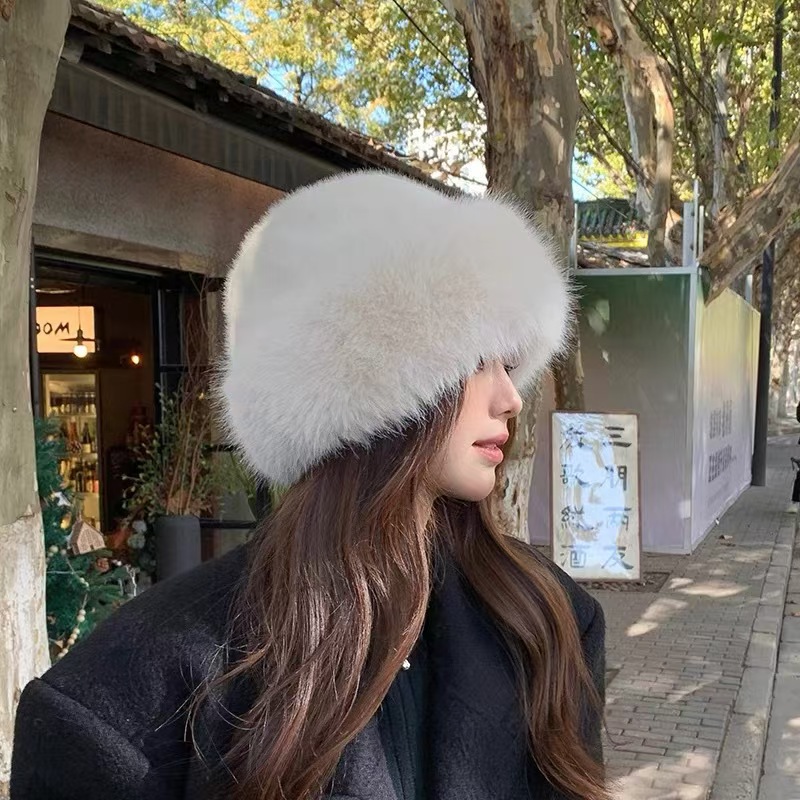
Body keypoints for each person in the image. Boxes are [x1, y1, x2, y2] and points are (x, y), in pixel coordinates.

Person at [11, 172, 608, 800]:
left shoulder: (546, 622)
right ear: (368, 382)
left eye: (508, 363)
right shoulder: (125, 701)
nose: (511, 397)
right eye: (475, 358)